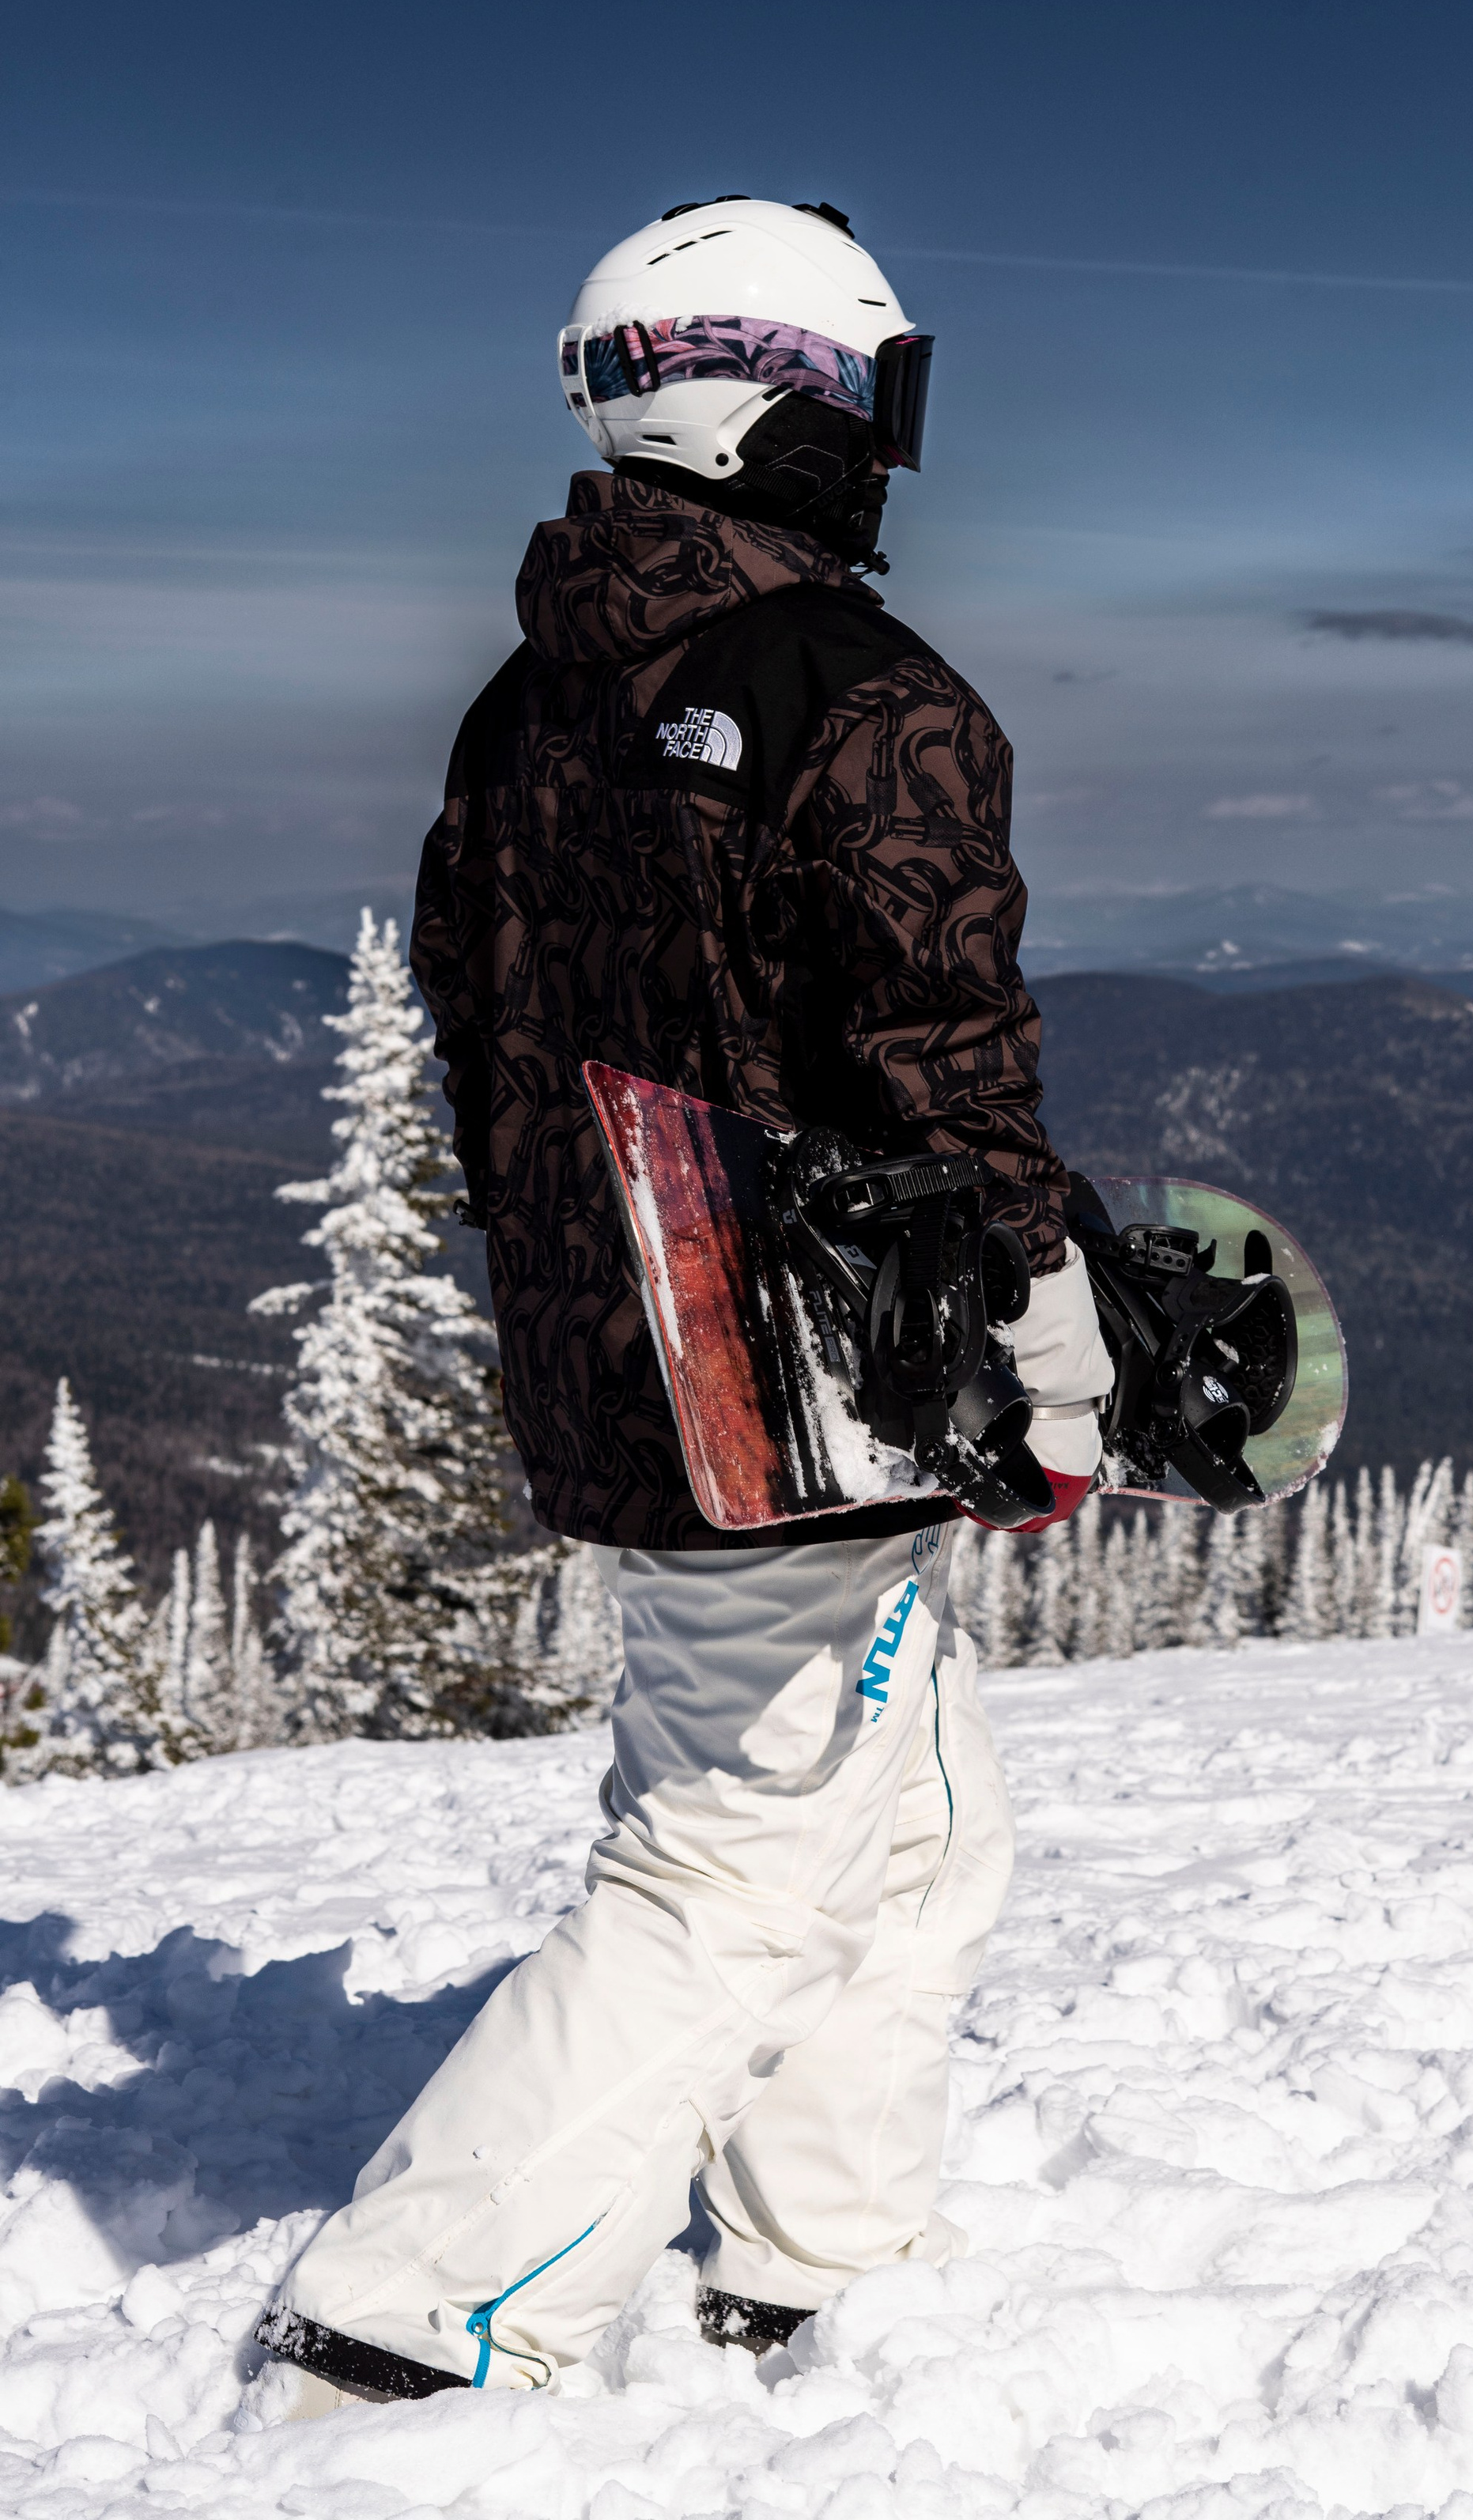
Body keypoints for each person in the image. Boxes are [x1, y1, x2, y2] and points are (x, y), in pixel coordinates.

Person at [255, 197, 1112, 2408]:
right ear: (783, 398)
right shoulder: (871, 698)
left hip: (618, 1355)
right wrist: (1043, 1337)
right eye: (880, 401)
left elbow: (486, 1027)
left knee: (917, 1831)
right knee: (730, 1857)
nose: (893, 454)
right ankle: (416, 2316)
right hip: (811, 1383)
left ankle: (808, 2249)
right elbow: (948, 1066)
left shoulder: (520, 705)